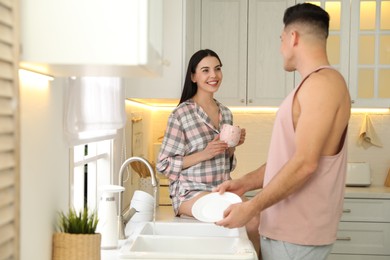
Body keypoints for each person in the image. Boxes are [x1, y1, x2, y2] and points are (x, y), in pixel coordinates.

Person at [214, 3, 351, 260]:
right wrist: (245, 183)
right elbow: (291, 160)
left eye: (280, 39)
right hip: (287, 235)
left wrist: (251, 207)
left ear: (293, 37)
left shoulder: (322, 85)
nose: (280, 49)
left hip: (296, 237)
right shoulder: (314, 85)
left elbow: (304, 165)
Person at [156, 49, 260, 258]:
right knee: (236, 216)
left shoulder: (226, 113)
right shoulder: (181, 114)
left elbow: (227, 165)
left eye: (217, 69)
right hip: (190, 192)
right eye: (205, 70)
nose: (213, 75)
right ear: (194, 76)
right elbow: (163, 165)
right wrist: (204, 154)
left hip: (220, 188)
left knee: (255, 215)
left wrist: (231, 147)